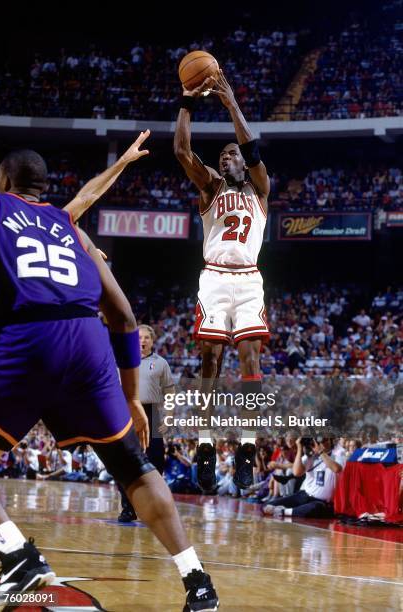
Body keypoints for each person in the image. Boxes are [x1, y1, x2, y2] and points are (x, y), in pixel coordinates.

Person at [0, 144, 219, 611]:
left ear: (2, 183)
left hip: (30, 337)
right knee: (133, 467)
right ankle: (198, 583)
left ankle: (17, 555)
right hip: (89, 344)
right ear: (42, 188)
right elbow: (123, 317)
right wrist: (132, 397)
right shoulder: (69, 227)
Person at [174, 70, 270, 492]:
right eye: (223, 156)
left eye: (232, 155)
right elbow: (180, 150)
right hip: (214, 278)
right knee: (209, 360)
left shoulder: (260, 189)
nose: (226, 159)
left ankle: (247, 446)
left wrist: (231, 103)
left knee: (251, 359)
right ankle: (207, 444)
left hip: (249, 280)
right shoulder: (210, 187)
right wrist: (187, 102)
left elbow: (252, 148)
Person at [118, 324, 176, 522]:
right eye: (139, 337)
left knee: (156, 464)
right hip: (126, 413)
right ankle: (127, 508)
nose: (142, 341)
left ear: (152, 341)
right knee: (124, 463)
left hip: (152, 414)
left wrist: (168, 416)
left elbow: (170, 393)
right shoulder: (123, 362)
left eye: (146, 338)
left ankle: (152, 509)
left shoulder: (161, 363)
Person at [263, 437, 346, 518]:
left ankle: (284, 511)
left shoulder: (339, 452)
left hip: (322, 502)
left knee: (316, 507)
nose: (321, 443)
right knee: (268, 505)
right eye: (319, 441)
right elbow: (296, 472)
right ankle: (292, 510)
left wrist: (321, 452)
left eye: (324, 440)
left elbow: (337, 469)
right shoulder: (311, 454)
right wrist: (299, 448)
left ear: (330, 439)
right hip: (304, 495)